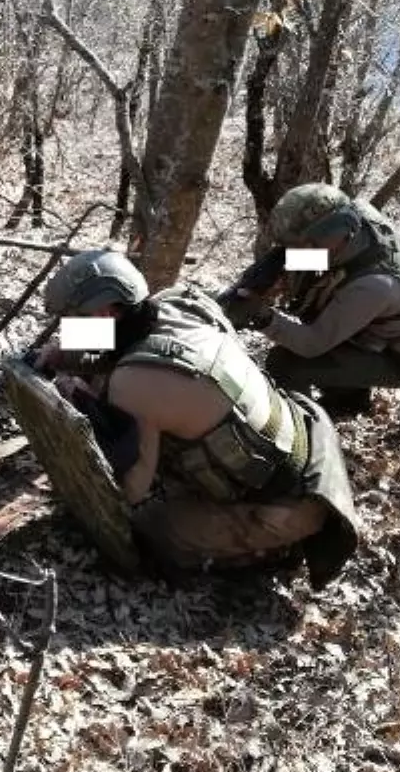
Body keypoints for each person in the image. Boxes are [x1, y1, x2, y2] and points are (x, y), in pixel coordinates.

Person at [38, 249, 359, 588]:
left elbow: (129, 491)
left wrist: (75, 410)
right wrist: (63, 355)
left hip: (288, 505)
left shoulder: (135, 382)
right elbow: (116, 341)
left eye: (73, 317)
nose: (67, 326)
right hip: (306, 442)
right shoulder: (178, 303)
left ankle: (268, 551)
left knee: (148, 529)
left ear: (104, 313)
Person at [224, 183, 400, 428]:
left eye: (301, 245)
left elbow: (312, 345)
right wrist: (277, 277)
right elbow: (325, 265)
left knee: (285, 363)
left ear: (327, 236)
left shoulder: (374, 286)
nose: (294, 252)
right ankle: (349, 400)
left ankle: (310, 434)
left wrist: (262, 317)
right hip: (379, 333)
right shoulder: (356, 219)